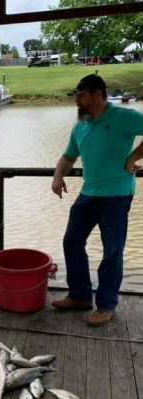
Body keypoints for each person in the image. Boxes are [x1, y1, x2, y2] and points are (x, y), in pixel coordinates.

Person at [51, 74, 143, 327]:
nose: (76, 101)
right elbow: (69, 156)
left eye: (80, 96)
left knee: (112, 251)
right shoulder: (80, 125)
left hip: (117, 194)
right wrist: (58, 177)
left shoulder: (124, 117)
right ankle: (80, 295)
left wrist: (134, 157)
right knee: (71, 241)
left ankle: (106, 305)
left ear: (97, 95)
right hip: (88, 193)